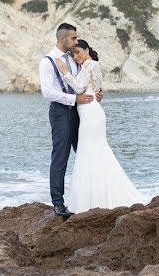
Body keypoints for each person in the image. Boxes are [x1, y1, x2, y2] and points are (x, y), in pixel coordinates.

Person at [55, 39, 146, 214]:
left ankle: (93, 199)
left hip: (90, 113)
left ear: (87, 50)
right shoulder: (91, 65)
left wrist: (65, 71)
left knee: (89, 152)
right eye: (73, 54)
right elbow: (94, 88)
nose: (76, 56)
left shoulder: (89, 64)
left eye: (78, 52)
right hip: (91, 111)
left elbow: (80, 88)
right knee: (93, 152)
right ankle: (96, 196)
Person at [38, 23, 103, 217]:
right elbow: (47, 92)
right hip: (61, 112)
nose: (76, 41)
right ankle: (58, 203)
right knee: (61, 155)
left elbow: (84, 83)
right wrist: (74, 99)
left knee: (86, 152)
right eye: (74, 38)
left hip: (82, 111)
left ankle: (92, 197)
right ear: (63, 38)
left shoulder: (76, 59)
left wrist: (97, 92)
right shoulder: (48, 61)